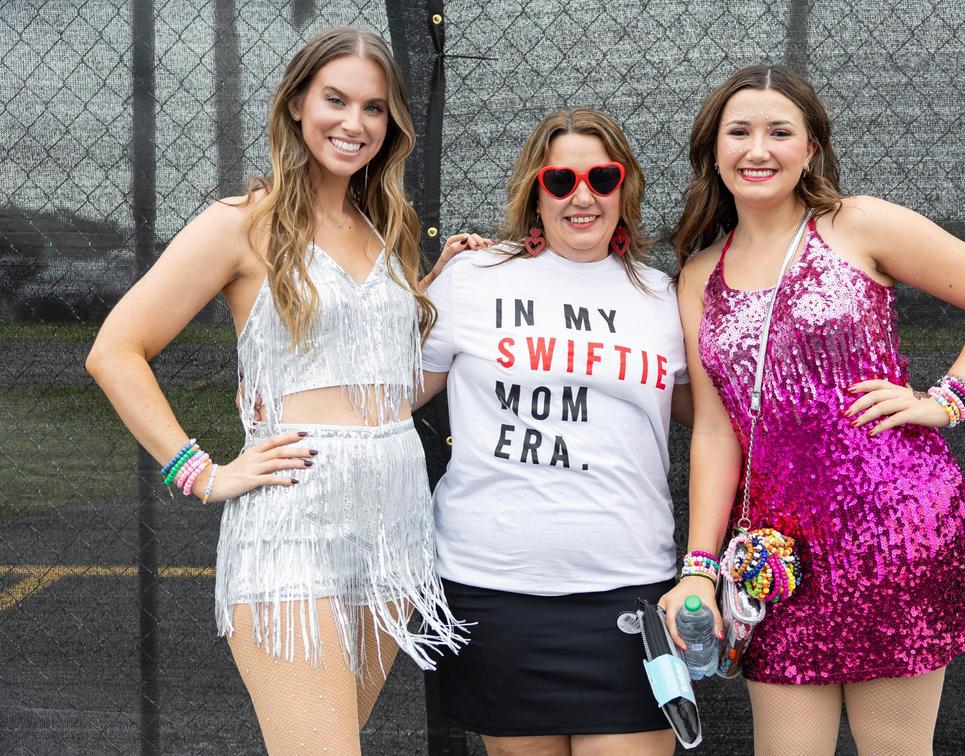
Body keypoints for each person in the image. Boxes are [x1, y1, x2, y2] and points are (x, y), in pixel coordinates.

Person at [85, 27, 470, 753]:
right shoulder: (240, 224)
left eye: (374, 109)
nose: (353, 124)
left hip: (392, 520)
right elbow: (115, 352)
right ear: (296, 103)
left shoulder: (386, 224)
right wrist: (201, 473)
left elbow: (384, 386)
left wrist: (456, 287)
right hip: (295, 522)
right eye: (336, 100)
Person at [659, 65, 965, 755]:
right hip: (775, 561)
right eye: (739, 131)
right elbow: (715, 432)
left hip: (895, 535)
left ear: (810, 148)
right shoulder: (699, 274)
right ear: (713, 149)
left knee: (893, 747)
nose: (758, 149)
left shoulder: (855, 224)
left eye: (781, 132)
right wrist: (700, 565)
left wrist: (945, 400)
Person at [415, 108, 691, 756]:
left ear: (625, 186)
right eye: (561, 180)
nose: (583, 196)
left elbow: (717, 421)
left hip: (628, 590)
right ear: (535, 191)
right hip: (496, 589)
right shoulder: (474, 279)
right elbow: (389, 394)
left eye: (601, 176)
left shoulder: (662, 296)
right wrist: (425, 289)